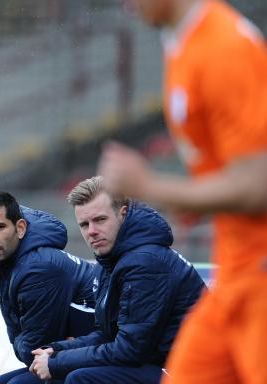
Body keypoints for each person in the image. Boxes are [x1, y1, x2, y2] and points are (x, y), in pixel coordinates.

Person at [98, 1, 267, 382]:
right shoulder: (185, 42)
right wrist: (187, 199)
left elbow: (258, 186)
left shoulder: (223, 49)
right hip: (238, 271)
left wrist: (149, 186)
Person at [30, 176, 205, 383]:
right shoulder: (112, 259)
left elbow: (129, 349)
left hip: (186, 370)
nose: (92, 231)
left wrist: (58, 363)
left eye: (100, 220)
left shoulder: (145, 262)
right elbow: (107, 335)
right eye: (84, 224)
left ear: (122, 214)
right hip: (152, 362)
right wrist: (55, 350)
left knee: (80, 379)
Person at [0, 191, 99, 384]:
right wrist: (24, 342)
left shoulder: (38, 268)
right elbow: (24, 345)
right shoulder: (0, 270)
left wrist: (24, 342)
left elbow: (35, 350)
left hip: (98, 354)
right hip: (67, 353)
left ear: (20, 228)